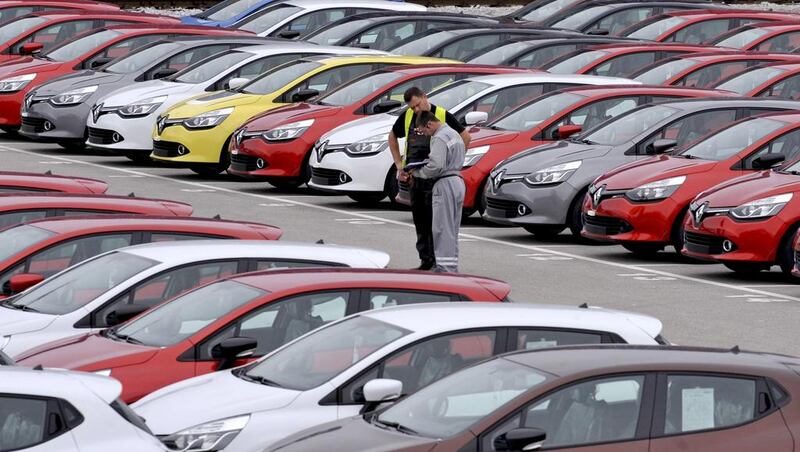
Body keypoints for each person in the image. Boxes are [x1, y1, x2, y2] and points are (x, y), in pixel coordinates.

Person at [388, 87, 470, 270]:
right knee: (421, 222)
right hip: (416, 178)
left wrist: (452, 162)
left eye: (417, 105)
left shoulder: (440, 116)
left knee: (439, 224)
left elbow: (465, 136)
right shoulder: (407, 116)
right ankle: (426, 261)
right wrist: (399, 164)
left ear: (425, 97)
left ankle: (439, 263)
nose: (416, 110)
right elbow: (392, 136)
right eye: (412, 107)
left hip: (436, 178)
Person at [411, 110, 466, 273]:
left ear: (429, 124)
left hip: (445, 183)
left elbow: (436, 165)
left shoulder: (440, 137)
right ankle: (451, 265)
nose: (425, 135)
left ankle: (444, 268)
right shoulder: (454, 134)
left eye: (424, 131)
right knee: (453, 228)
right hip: (457, 181)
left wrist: (417, 172)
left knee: (442, 227)